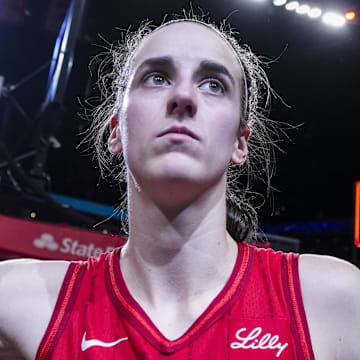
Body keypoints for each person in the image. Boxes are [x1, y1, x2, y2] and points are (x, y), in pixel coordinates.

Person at [0, 14, 360, 360]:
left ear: (240, 142)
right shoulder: (20, 302)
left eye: (213, 84)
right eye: (157, 78)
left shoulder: (332, 301)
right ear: (115, 131)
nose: (184, 97)